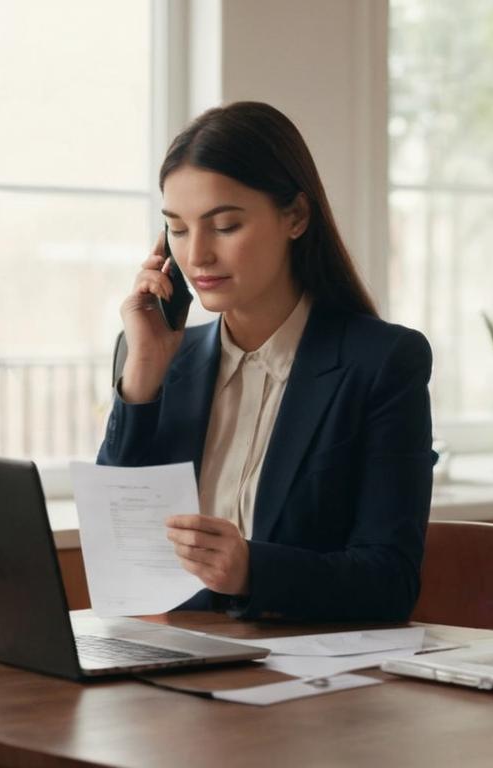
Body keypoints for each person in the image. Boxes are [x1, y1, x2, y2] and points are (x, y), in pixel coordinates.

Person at [97, 102, 434, 622]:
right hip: (168, 663)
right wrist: (143, 373)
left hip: (305, 682)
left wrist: (252, 569)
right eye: (179, 230)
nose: (198, 255)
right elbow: (120, 557)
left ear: (295, 216)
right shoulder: (162, 358)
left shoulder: (383, 363)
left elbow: (389, 579)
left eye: (225, 225)